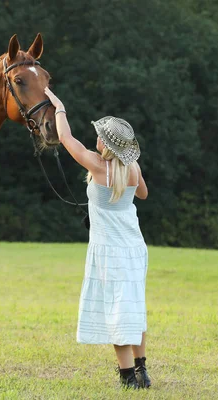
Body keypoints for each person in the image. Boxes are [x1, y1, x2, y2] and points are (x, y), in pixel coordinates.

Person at [44, 87, 151, 389]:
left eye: (100, 135)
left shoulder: (96, 164)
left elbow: (66, 139)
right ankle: (142, 371)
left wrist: (59, 107)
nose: (96, 138)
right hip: (134, 247)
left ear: (106, 143)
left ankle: (127, 376)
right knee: (133, 306)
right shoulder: (132, 168)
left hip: (110, 251)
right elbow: (142, 193)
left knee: (116, 311)